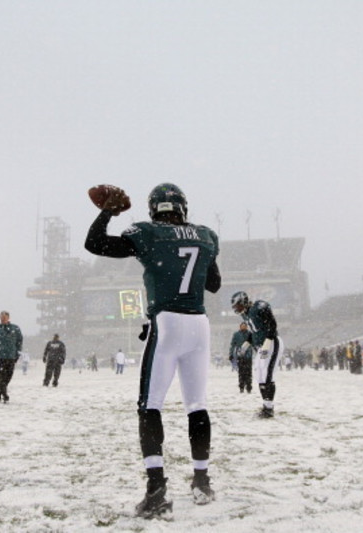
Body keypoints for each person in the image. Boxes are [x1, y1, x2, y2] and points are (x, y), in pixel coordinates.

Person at [85, 182, 221, 519]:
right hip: (199, 325)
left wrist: (107, 213)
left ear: (153, 208)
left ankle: (157, 490)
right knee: (196, 405)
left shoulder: (147, 232)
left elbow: (95, 244)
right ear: (183, 207)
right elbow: (213, 284)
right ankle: (202, 481)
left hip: (168, 322)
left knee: (150, 406)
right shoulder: (206, 235)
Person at [230, 291, 284, 418]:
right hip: (260, 346)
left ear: (243, 302)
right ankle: (265, 405)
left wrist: (268, 341)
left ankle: (269, 408)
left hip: (271, 342)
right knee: (259, 375)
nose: (237, 309)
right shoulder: (246, 315)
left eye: (238, 306)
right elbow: (253, 331)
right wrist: (247, 343)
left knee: (267, 375)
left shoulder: (258, 307)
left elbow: (272, 324)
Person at [0, 311, 23, 403]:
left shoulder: (15, 328)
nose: (2, 319)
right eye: (1, 317)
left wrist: (17, 353)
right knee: (2, 376)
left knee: (9, 375)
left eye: (4, 317)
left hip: (11, 356)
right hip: (0, 356)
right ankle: (4, 394)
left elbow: (19, 341)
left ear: (8, 318)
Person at [229, 322, 253, 393]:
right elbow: (233, 345)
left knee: (249, 372)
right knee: (241, 373)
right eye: (242, 326)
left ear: (247, 327)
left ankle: (249, 387)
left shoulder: (250, 334)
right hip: (240, 356)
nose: (243, 327)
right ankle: (241, 387)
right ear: (240, 327)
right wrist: (231, 354)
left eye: (245, 326)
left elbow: (254, 343)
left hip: (248, 356)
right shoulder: (236, 334)